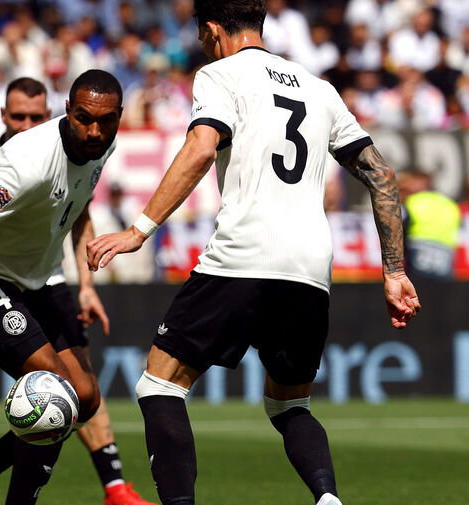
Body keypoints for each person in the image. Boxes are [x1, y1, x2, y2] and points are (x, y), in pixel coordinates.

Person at [86, 2, 421, 505]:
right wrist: (394, 271)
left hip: (243, 254)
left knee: (160, 386)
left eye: (201, 37)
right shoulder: (319, 88)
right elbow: (382, 175)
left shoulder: (220, 74)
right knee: (290, 406)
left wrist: (138, 230)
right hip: (310, 268)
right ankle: (328, 499)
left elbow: (201, 148)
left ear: (211, 30)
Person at [0, 77, 155, 505]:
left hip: (35, 279)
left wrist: (85, 284)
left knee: (85, 398)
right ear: (66, 110)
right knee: (53, 392)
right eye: (84, 118)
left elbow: (76, 207)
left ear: (119, 118)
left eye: (105, 121)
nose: (94, 131)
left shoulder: (102, 145)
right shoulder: (26, 163)